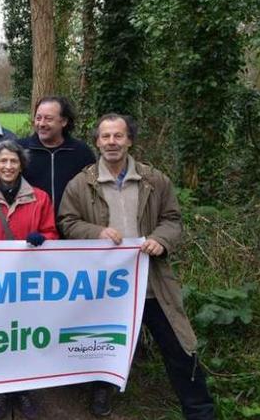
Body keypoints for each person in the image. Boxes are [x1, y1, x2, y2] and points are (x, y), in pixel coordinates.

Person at [58, 114, 215, 419]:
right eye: (105, 137)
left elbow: (172, 219)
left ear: (129, 140)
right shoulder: (82, 183)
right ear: (97, 142)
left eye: (118, 136)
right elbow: (67, 221)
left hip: (151, 282)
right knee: (101, 345)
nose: (112, 142)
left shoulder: (154, 180)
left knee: (180, 347)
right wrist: (96, 233)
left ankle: (200, 411)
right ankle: (101, 394)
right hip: (106, 285)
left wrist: (160, 239)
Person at [0, 140, 59, 420]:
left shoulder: (40, 197)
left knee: (24, 335)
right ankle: (0, 391)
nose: (8, 166)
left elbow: (51, 232)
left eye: (13, 162)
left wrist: (44, 239)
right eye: (3, 161)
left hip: (28, 281)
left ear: (21, 165)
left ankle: (24, 389)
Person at [18, 96, 96, 212]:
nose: (41, 124)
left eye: (48, 119)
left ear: (64, 121)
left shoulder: (81, 152)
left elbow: (93, 191)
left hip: (71, 225)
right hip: (32, 225)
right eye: (38, 118)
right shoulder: (20, 150)